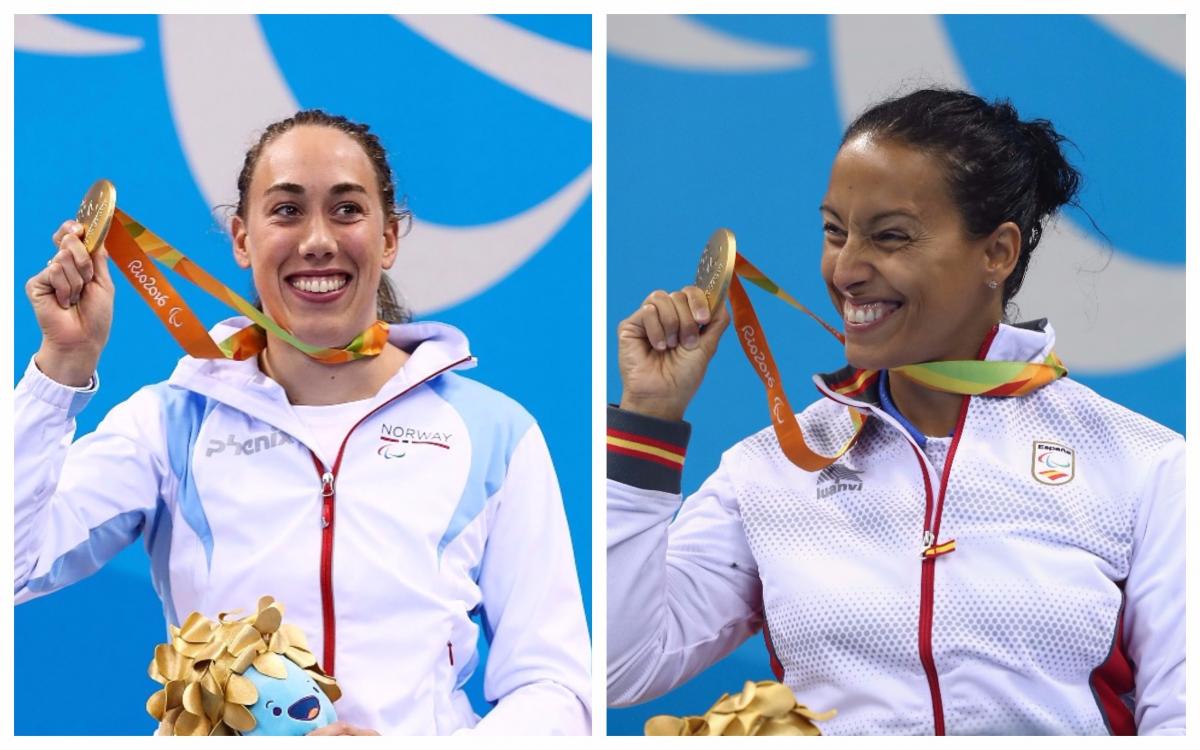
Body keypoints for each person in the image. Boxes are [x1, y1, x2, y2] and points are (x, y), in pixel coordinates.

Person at [607, 89, 1183, 735]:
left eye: (891, 237)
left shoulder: (1142, 464)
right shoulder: (768, 471)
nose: (847, 269)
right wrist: (647, 419)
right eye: (834, 232)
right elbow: (620, 667)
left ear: (997, 253)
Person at [16, 110, 590, 735]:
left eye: (347, 209)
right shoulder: (169, 423)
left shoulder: (494, 433)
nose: (318, 239)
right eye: (286, 210)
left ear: (389, 238)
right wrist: (61, 370)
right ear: (241, 238)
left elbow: (556, 688)